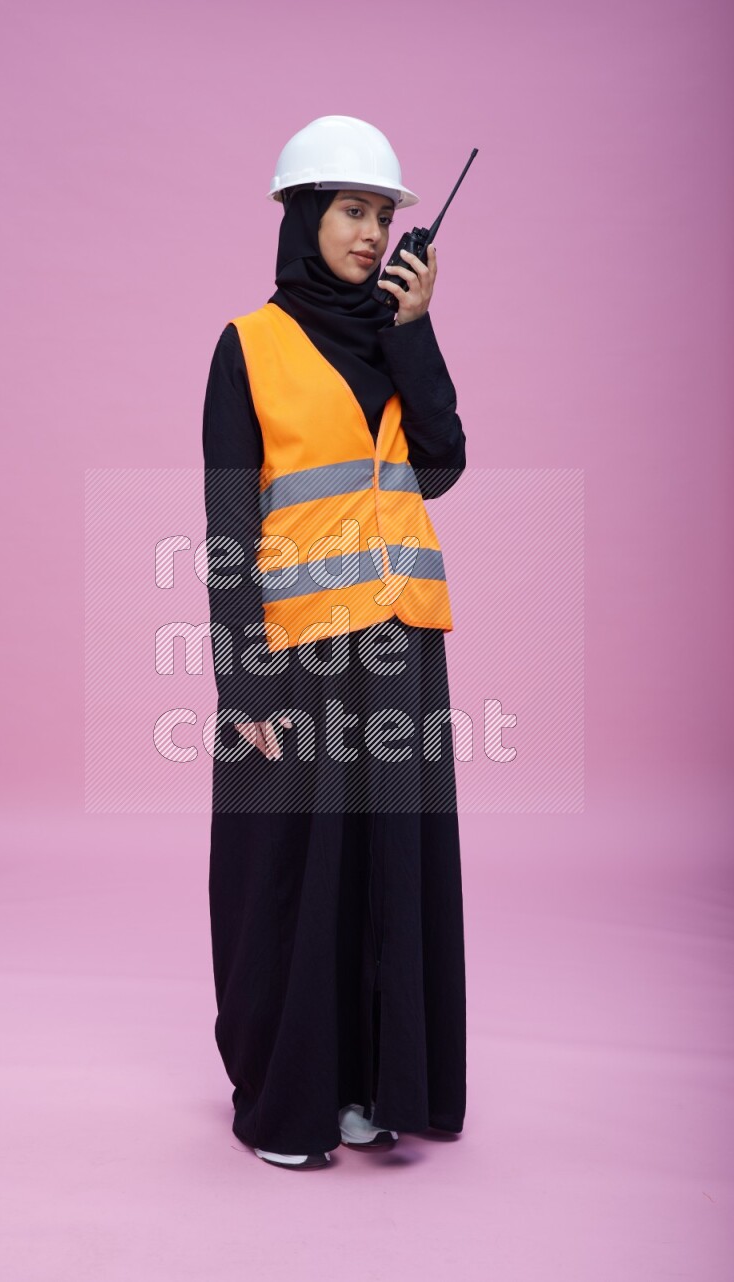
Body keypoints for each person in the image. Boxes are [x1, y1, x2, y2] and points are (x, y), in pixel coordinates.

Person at [202, 116, 467, 1171]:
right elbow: (228, 533)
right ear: (302, 214)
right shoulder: (248, 346)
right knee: (293, 875)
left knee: (383, 873)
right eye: (351, 211)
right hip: (301, 653)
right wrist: (245, 685)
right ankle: (287, 1097)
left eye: (383, 215)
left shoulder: (396, 335)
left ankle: (367, 1087)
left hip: (402, 646)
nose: (369, 234)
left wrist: (416, 330)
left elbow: (440, 462)